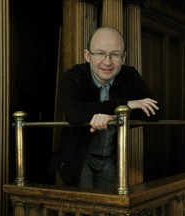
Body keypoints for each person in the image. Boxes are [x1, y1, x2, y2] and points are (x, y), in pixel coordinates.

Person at [55, 26, 160, 189]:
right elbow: (74, 114)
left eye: (115, 54)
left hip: (111, 159)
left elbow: (156, 111)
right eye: (100, 53)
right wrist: (124, 105)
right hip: (79, 159)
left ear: (123, 58)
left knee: (109, 209)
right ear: (87, 55)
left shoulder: (129, 75)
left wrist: (115, 116)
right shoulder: (73, 76)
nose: (107, 61)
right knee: (86, 209)